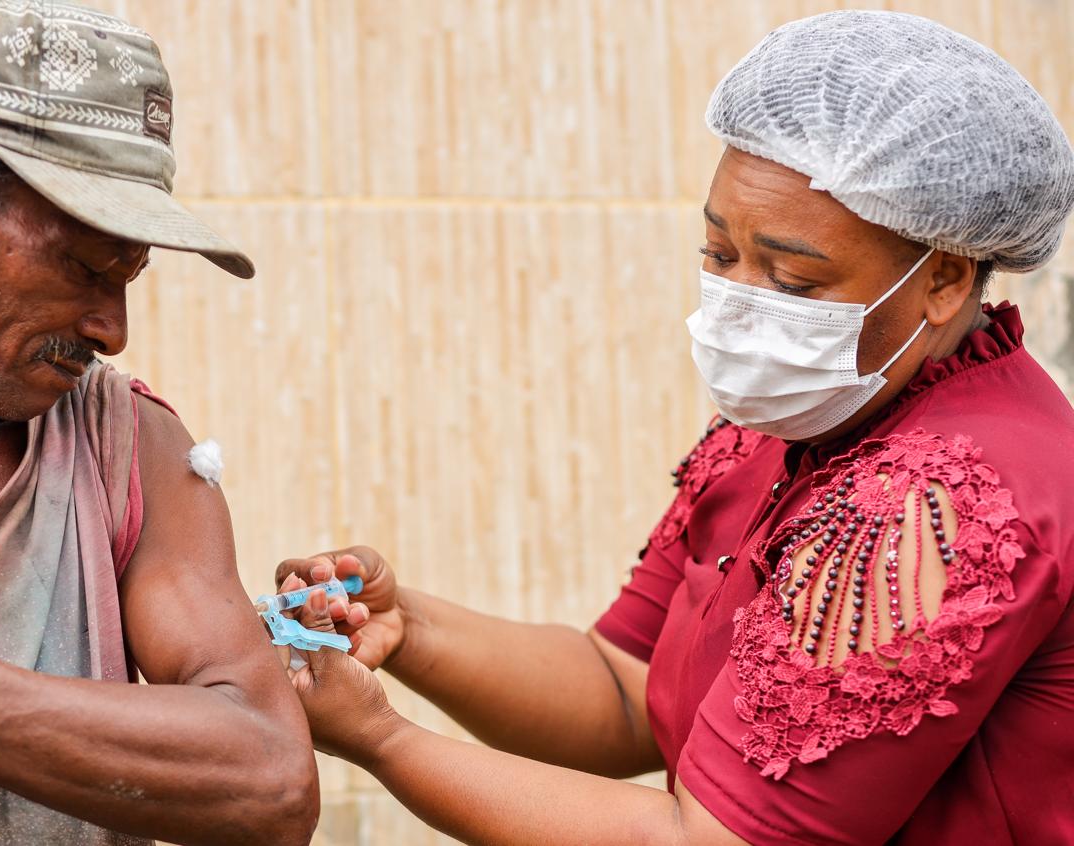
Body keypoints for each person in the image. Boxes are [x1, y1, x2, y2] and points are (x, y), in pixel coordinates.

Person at [274, 11, 1074, 845]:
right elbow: (622, 689)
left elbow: (711, 840)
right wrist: (407, 630)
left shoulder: (940, 505)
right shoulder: (796, 422)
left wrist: (382, 740)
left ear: (943, 279)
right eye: (721, 256)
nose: (743, 304)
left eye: (794, 281)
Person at [0, 2, 317, 844]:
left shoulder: (127, 445)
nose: (113, 327)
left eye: (130, 276)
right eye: (84, 265)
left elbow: (269, 781)